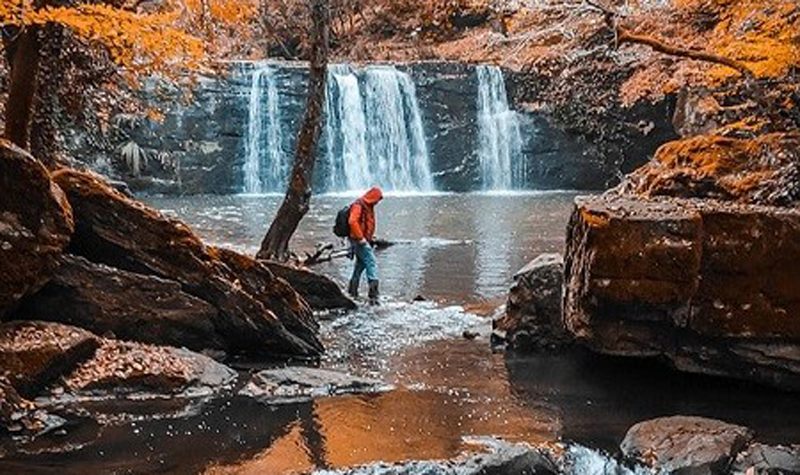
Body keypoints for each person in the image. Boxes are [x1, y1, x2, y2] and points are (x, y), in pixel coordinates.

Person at [347, 186, 383, 304]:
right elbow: (352, 221)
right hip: (358, 240)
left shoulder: (368, 206)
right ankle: (373, 293)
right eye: (377, 199)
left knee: (360, 265)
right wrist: (361, 238)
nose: (378, 202)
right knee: (371, 261)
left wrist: (369, 237)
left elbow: (366, 223)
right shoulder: (359, 205)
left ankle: (352, 290)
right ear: (372, 197)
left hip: (362, 240)